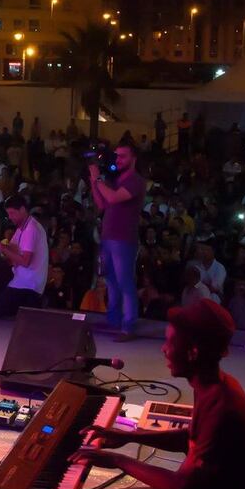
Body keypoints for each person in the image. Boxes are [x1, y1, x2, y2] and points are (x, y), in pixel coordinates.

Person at [69, 299, 245, 489]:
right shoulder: (213, 385)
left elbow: (180, 486)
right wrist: (129, 437)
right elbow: (189, 439)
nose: (163, 350)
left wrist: (118, 460)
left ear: (192, 352)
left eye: (169, 343)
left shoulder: (223, 406)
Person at [90, 142, 147, 340]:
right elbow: (101, 204)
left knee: (125, 282)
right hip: (109, 236)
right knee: (111, 281)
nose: (118, 159)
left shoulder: (135, 180)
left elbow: (113, 199)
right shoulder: (117, 180)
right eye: (117, 156)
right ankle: (113, 321)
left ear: (134, 159)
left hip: (124, 238)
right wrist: (93, 180)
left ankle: (128, 326)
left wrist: (98, 179)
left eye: (123, 156)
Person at [0, 194, 48, 318]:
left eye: (12, 213)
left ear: (23, 210)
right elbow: (13, 248)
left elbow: (25, 261)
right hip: (20, 278)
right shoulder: (22, 228)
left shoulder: (31, 229)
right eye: (8, 214)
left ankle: (31, 305)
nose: (10, 217)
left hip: (29, 284)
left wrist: (1, 247)